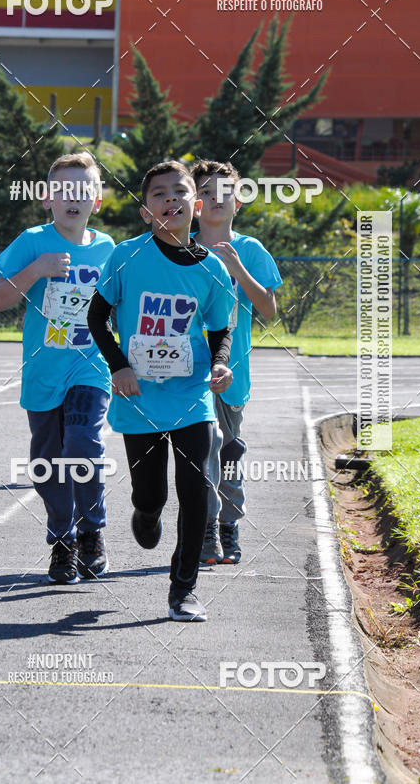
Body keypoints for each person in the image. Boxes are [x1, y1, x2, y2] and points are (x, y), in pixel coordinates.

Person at [86, 160, 235, 622]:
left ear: (198, 204)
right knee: (150, 495)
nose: (170, 199)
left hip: (191, 396)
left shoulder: (212, 269)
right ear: (146, 211)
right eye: (158, 194)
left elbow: (219, 328)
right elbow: (96, 316)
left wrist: (221, 363)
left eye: (179, 192)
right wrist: (120, 366)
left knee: (195, 490)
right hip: (139, 397)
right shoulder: (127, 256)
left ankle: (183, 590)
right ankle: (145, 514)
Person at [0, 152, 114, 585]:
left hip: (90, 367)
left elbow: (118, 305)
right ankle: (62, 540)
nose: (74, 198)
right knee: (47, 462)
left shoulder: (107, 248)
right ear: (48, 198)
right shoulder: (32, 240)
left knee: (82, 446)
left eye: (84, 190)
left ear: (97, 200)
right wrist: (36, 270)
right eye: (64, 190)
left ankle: (91, 530)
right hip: (43, 372)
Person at [191, 159, 282, 564]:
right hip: (185, 373)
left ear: (239, 202)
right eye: (205, 193)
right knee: (197, 456)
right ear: (193, 203)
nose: (215, 200)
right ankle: (205, 528)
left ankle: (229, 524)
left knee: (228, 454)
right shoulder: (179, 247)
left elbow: (269, 309)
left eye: (224, 193)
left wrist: (237, 268)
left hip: (231, 374)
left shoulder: (250, 250)